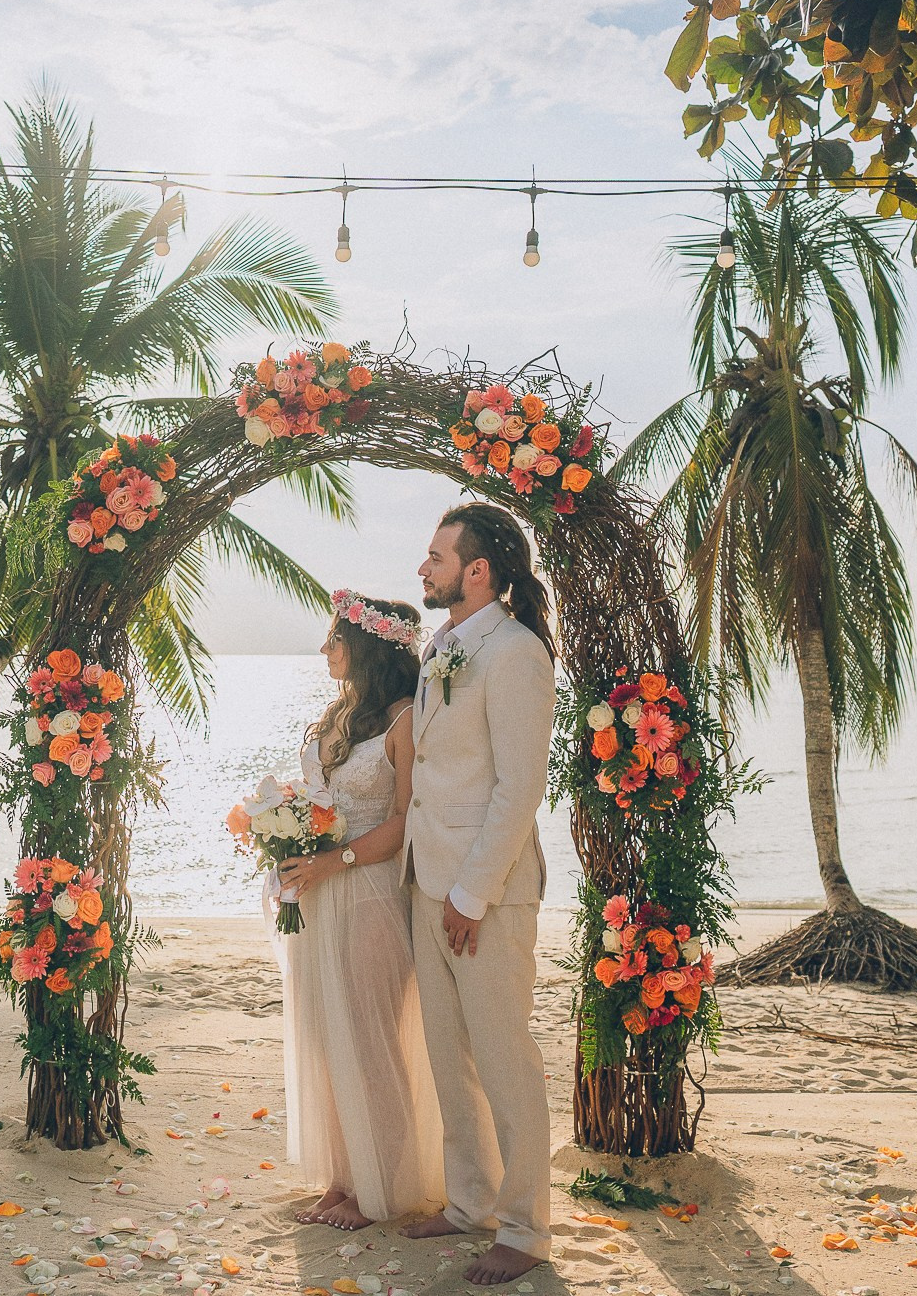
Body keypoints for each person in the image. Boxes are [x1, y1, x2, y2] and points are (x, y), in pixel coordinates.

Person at [401, 502, 557, 1286]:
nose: (423, 568)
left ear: (478, 571)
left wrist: (470, 892)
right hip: (427, 881)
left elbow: (519, 788)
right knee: (448, 1055)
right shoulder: (445, 646)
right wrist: (432, 887)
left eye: (435, 556)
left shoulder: (516, 653)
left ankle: (526, 1229)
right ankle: (470, 1202)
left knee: (504, 1059)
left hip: (484, 894)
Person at [273, 591, 445, 1229]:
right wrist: (286, 839)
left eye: (335, 639)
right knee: (327, 1040)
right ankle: (344, 1180)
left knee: (372, 1040)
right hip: (317, 898)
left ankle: (384, 1184)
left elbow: (404, 821)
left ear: (367, 646)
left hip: (369, 891)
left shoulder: (405, 717)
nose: (324, 649)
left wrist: (331, 861)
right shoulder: (336, 716)